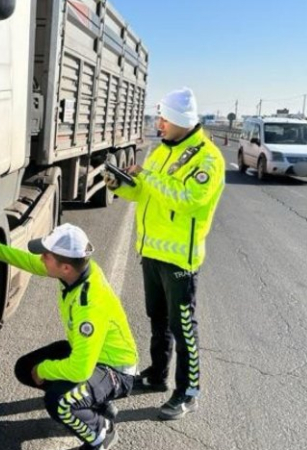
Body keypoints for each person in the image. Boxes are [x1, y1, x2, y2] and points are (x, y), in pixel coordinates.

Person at [103, 87, 225, 421]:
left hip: (179, 261)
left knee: (184, 327)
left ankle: (187, 392)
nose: (158, 124)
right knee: (158, 320)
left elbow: (187, 199)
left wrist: (150, 178)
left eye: (163, 119)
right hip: (152, 253)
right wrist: (121, 185)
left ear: (180, 120)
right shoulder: (161, 151)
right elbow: (144, 192)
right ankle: (157, 375)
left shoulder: (208, 158)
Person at [0, 223, 138, 450]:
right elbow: (29, 262)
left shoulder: (91, 305)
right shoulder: (79, 270)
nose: (41, 258)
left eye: (46, 255)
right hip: (91, 354)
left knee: (60, 402)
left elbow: (80, 370)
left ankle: (101, 433)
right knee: (25, 368)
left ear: (65, 267)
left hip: (114, 369)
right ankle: (94, 402)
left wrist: (43, 370)